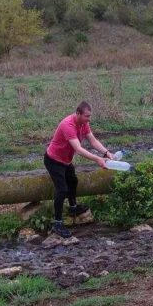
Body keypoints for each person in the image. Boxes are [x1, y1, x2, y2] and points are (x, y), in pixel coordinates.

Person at [44, 101, 116, 237]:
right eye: (86, 116)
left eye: (90, 116)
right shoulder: (68, 125)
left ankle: (73, 208)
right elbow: (78, 149)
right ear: (78, 113)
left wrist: (106, 153)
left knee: (73, 181)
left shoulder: (84, 124)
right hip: (53, 160)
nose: (89, 119)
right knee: (62, 190)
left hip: (65, 160)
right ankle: (57, 224)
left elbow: (93, 141)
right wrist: (98, 159)